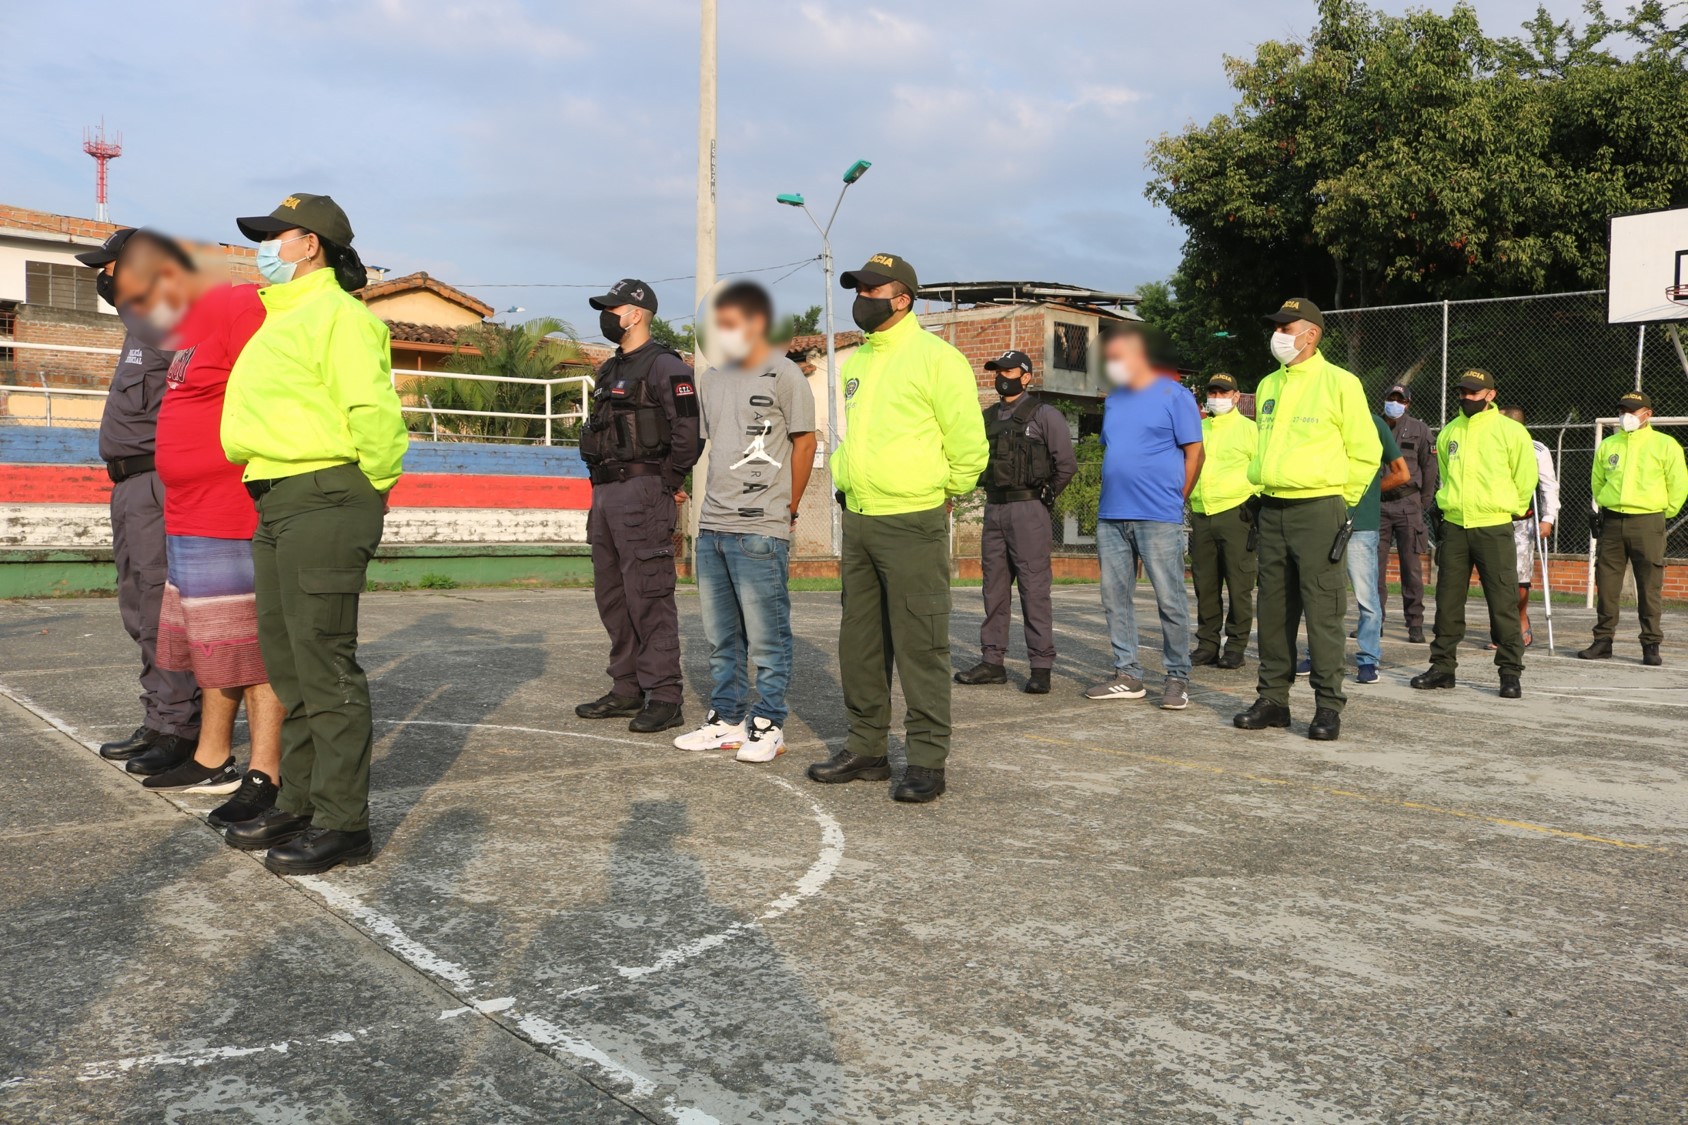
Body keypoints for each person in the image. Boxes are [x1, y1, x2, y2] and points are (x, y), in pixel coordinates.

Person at [217, 193, 407, 876]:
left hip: (324, 492)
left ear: (311, 245)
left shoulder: (339, 316)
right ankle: (298, 800)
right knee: (288, 663)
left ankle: (343, 820)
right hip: (274, 494)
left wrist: (368, 490)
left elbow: (374, 412)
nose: (262, 246)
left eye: (275, 235)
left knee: (324, 662)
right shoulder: (282, 316)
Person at [109, 231, 287, 821]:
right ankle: (211, 756)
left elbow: (270, 384)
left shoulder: (237, 305)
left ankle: (265, 771)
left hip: (224, 506)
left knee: (247, 648)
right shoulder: (181, 331)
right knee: (208, 644)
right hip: (187, 509)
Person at [806, 253, 988, 804]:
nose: (861, 296)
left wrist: (940, 493)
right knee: (859, 644)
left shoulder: (939, 358)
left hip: (913, 519)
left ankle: (928, 759)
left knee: (921, 644)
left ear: (902, 298)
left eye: (871, 288)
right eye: (857, 287)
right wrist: (846, 481)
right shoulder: (858, 362)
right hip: (859, 517)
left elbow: (968, 445)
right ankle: (867, 748)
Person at [673, 281, 816, 761]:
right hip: (712, 525)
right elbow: (709, 443)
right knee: (721, 637)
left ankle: (769, 722)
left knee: (767, 636)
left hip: (761, 528)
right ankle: (728, 719)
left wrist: (788, 509)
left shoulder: (784, 373)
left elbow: (806, 442)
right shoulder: (711, 378)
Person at [78, 230, 203, 770]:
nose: (102, 279)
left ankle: (179, 726)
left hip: (157, 481)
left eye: (108, 268)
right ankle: (160, 718)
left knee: (158, 604)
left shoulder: (174, 320)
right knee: (138, 603)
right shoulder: (142, 327)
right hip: (129, 484)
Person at [1232, 298, 1380, 742]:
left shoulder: (1341, 383)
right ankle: (1273, 700)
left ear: (1311, 334)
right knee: (1273, 611)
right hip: (1272, 508)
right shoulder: (1269, 384)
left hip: (1319, 509)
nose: (1277, 334)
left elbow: (1366, 451)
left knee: (1323, 611)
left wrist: (1342, 505)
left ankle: (1328, 706)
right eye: (1275, 325)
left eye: (1286, 326)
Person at [573, 278, 703, 734]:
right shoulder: (610, 370)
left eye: (614, 308)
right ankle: (626, 688)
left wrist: (668, 481)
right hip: (606, 492)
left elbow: (688, 432)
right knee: (612, 596)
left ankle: (665, 695)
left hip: (643, 490)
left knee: (649, 595)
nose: (608, 315)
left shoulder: (666, 366)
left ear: (637, 313)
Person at [1084, 322, 1204, 710]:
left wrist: (1175, 499)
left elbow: (1195, 454)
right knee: (1114, 597)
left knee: (1170, 599)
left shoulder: (1175, 395)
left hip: (1158, 516)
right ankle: (1128, 674)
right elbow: (1118, 450)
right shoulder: (1114, 400)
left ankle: (1177, 677)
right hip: (1112, 515)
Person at [954, 349, 1077, 693]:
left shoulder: (1044, 415)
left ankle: (1040, 667)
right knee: (993, 589)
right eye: (997, 371)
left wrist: (1047, 496)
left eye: (1009, 371)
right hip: (994, 508)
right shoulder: (988, 417)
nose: (1001, 377)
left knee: (1033, 590)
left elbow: (1065, 464)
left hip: (1028, 509)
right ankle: (992, 662)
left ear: (1025, 376)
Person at [1410, 370, 1537, 699]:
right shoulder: (1450, 432)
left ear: (1490, 395)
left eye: (1474, 393)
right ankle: (1442, 668)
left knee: (1503, 603)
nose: (1467, 397)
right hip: (1454, 526)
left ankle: (1510, 673)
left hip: (1493, 525)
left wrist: (1508, 508)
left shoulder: (1510, 432)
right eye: (1463, 392)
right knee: (1447, 603)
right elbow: (1448, 478)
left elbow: (1525, 478)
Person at [1579, 391, 1688, 666]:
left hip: (1648, 521)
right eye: (1623, 409)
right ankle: (1603, 641)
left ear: (1647, 414)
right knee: (1606, 583)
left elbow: (1678, 485)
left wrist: (1663, 511)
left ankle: (1651, 644)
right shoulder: (1609, 444)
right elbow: (1597, 481)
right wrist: (1607, 502)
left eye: (1633, 410)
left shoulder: (1665, 445)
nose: (1626, 415)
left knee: (1649, 584)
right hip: (1612, 520)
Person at [1188, 373, 1258, 671]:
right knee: (1205, 584)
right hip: (1202, 513)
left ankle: (1236, 647)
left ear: (1236, 396)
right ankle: (1207, 644)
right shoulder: (1197, 428)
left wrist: (1254, 504)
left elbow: (1262, 468)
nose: (1217, 397)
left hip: (1236, 514)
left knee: (1239, 585)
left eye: (1223, 392)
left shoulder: (1250, 430)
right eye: (1213, 392)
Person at [1495, 406, 1559, 649]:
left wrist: (1548, 518)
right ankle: (1501, 627)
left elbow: (1548, 486)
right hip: (1492, 518)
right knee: (1496, 577)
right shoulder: (1491, 445)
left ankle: (1520, 619)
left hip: (1522, 521)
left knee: (1520, 577)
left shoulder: (1537, 450)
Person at [1378, 384, 1438, 643]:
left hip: (1407, 504)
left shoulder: (1420, 430)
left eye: (1399, 399)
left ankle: (1415, 623)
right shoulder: (1373, 426)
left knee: (1411, 568)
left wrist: (1421, 504)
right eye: (1391, 398)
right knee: (1372, 569)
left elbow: (1430, 469)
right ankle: (1373, 621)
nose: (1394, 402)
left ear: (1408, 403)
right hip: (1377, 505)